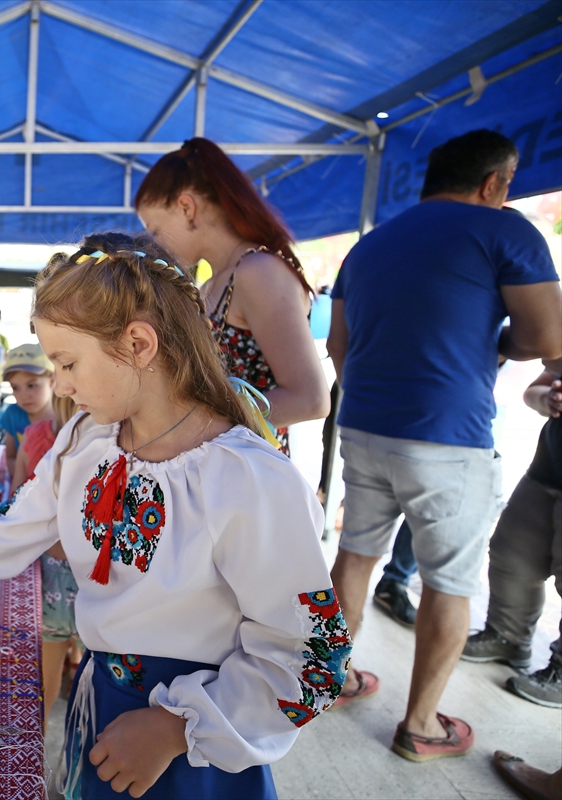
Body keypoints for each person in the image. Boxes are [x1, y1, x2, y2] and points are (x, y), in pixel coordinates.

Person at [0, 235, 348, 800]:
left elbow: (313, 654)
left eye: (66, 363)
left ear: (138, 344)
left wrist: (176, 728)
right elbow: (11, 528)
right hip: (104, 707)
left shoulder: (246, 479)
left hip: (196, 745)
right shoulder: (87, 443)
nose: (58, 384)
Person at [326, 129, 562, 761]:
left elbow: (338, 347)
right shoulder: (507, 232)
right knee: (448, 583)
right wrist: (496, 341)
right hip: (447, 437)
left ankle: (331, 678)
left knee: (354, 556)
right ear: (493, 183)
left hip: (365, 426)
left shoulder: (369, 246)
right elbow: (547, 335)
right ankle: (422, 724)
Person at [135, 137, 330, 455]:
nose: (155, 245)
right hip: (219, 469)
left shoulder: (257, 272)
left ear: (186, 207)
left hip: (249, 477)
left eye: (155, 230)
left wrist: (197, 422)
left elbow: (310, 399)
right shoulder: (212, 284)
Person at [461, 358, 562, 708]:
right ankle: (507, 636)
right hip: (547, 470)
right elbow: (534, 389)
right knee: (510, 553)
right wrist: (548, 398)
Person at [11, 392, 81, 731]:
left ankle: (36, 743)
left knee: (45, 679)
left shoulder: (36, 439)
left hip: (50, 580)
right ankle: (76, 760)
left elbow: (14, 506)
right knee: (93, 687)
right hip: (96, 584)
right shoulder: (113, 448)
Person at [0, 343, 55, 465]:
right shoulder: (12, 414)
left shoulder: (64, 417)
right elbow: (10, 459)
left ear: (52, 381)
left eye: (31, 385)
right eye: (15, 387)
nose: (24, 396)